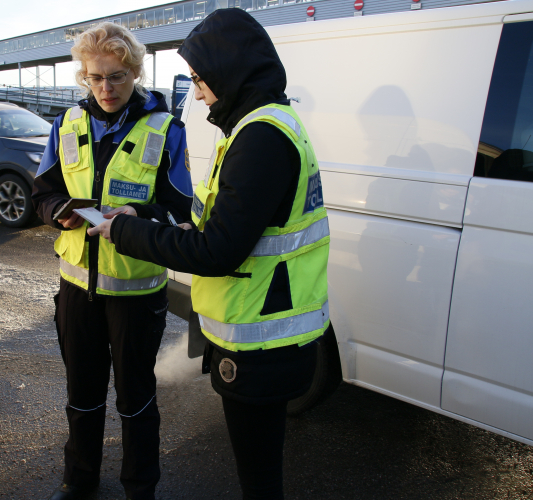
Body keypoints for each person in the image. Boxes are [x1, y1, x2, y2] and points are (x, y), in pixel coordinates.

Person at [88, 9, 330, 500]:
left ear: (227, 70)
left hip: (260, 343)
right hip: (270, 333)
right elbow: (219, 225)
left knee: (259, 482)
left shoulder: (260, 136)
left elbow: (217, 251)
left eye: (200, 80)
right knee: (260, 474)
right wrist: (166, 220)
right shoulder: (261, 125)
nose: (197, 93)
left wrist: (128, 232)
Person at [31, 22, 192, 500]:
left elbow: (185, 209)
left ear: (136, 73)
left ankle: (140, 486)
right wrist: (56, 211)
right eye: (96, 78)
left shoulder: (167, 130)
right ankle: (78, 479)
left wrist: (139, 213)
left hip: (137, 293)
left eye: (117, 77)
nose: (105, 88)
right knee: (82, 393)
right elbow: (43, 191)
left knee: (136, 399)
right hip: (76, 288)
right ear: (84, 75)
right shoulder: (66, 124)